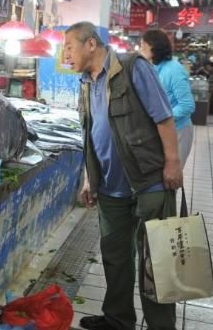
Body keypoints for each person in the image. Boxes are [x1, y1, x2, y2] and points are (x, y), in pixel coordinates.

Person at [64, 22, 182, 330]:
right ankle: (118, 319)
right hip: (110, 188)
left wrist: (172, 162)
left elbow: (164, 116)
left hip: (147, 181)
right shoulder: (86, 82)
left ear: (91, 44)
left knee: (155, 261)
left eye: (69, 47)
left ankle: (160, 326)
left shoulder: (132, 67)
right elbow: (94, 135)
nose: (65, 55)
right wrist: (91, 179)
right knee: (114, 257)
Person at [140, 30, 195, 168]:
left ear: (154, 47)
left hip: (178, 130)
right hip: (160, 129)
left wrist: (161, 118)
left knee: (172, 175)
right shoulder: (152, 67)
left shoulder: (174, 70)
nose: (141, 48)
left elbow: (187, 105)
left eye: (143, 45)